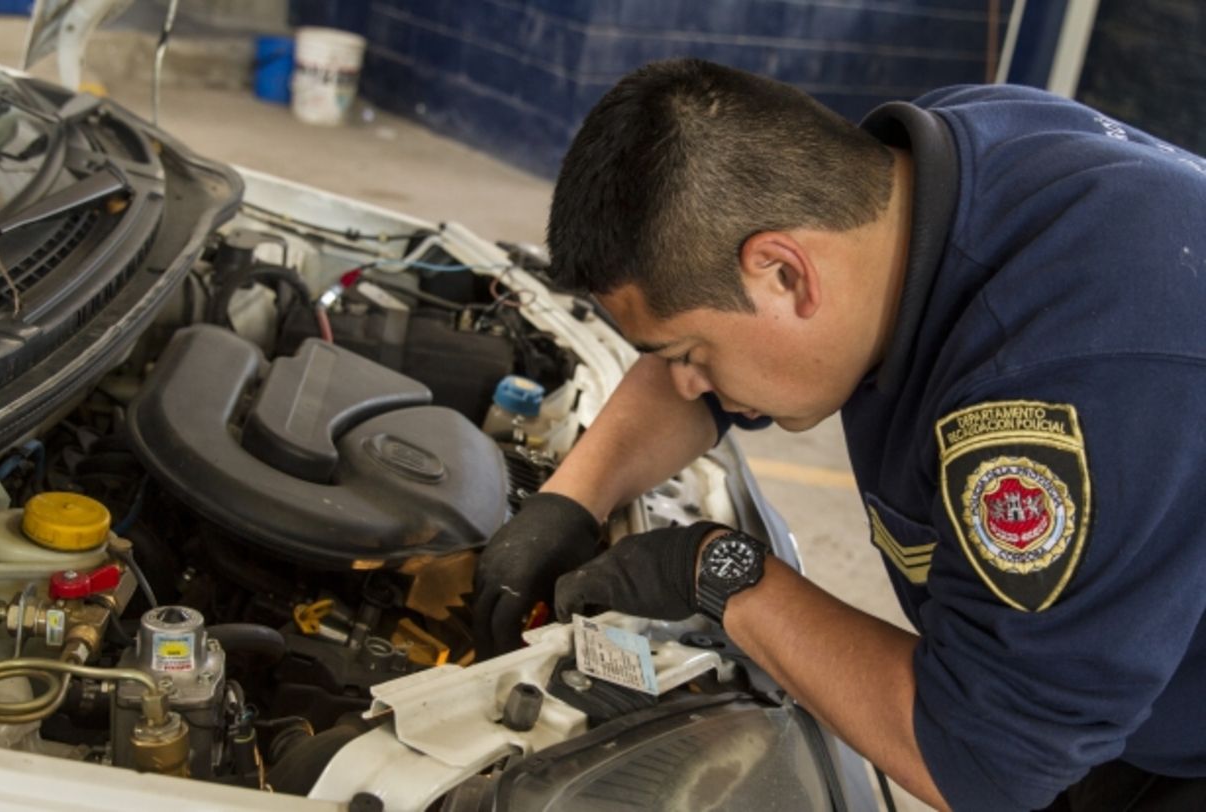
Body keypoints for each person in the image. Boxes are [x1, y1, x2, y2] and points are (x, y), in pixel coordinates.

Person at [472, 59, 1206, 811]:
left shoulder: (1070, 386)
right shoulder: (920, 183)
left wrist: (726, 576)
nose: (684, 383)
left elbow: (982, 761)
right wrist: (571, 498)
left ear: (787, 275)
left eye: (691, 357)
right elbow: (708, 353)